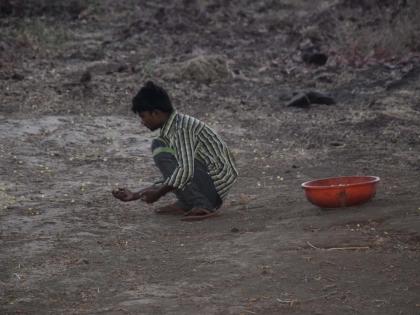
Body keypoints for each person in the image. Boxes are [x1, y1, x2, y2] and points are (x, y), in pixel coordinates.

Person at [112, 81, 238, 221]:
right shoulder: (174, 128)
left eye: (143, 116)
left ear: (156, 113)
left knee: (162, 150)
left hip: (216, 186)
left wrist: (158, 194)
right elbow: (175, 173)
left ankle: (203, 204)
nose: (142, 122)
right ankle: (188, 202)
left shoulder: (180, 129)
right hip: (209, 180)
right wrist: (137, 194)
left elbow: (184, 171)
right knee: (160, 146)